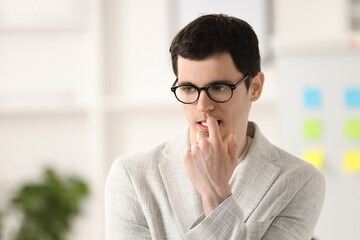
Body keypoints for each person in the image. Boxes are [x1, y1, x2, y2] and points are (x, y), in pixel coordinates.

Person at [105, 14, 325, 239]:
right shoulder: (132, 176)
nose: (203, 106)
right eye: (189, 89)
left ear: (255, 87)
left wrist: (217, 195)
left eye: (219, 88)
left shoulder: (300, 181)